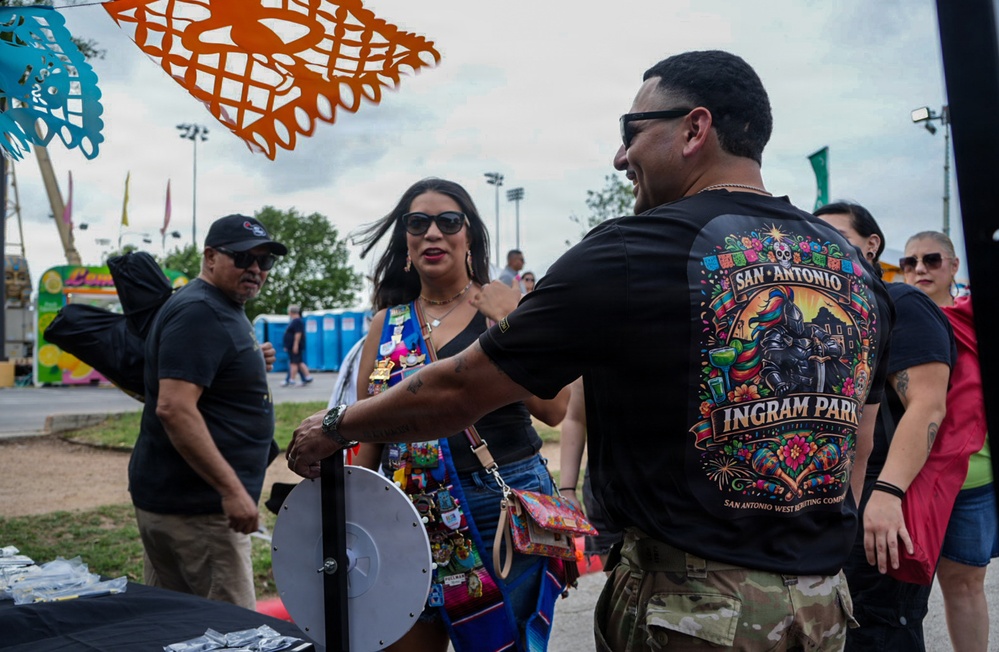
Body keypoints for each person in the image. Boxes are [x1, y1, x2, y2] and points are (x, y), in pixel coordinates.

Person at [289, 50, 894, 650]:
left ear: (694, 128)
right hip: (821, 607)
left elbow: (461, 390)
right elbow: (858, 442)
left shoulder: (631, 251)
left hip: (693, 611)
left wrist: (337, 424)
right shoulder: (848, 263)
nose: (620, 156)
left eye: (631, 132)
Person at [336, 177, 569, 652]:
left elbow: (555, 408)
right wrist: (349, 514)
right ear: (406, 240)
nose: (433, 233)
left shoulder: (497, 308)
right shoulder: (387, 324)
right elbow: (368, 430)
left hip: (497, 508)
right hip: (409, 515)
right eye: (418, 222)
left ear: (470, 238)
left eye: (449, 221)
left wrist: (517, 318)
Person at [814, 204, 955, 651]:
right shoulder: (828, 311)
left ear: (871, 244)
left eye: (835, 233)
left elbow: (928, 405)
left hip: (883, 505)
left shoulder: (899, 301)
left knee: (880, 633)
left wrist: (888, 494)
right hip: (836, 505)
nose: (824, 244)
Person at [129, 214, 286, 610]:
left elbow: (206, 373)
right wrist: (231, 491)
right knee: (230, 634)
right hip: (200, 514)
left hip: (187, 505)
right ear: (211, 256)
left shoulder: (216, 305)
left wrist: (250, 358)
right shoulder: (200, 311)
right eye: (243, 258)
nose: (255, 269)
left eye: (264, 261)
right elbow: (174, 408)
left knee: (177, 626)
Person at [902, 231, 995, 652]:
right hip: (908, 481)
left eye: (932, 259)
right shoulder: (893, 318)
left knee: (965, 585)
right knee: (900, 592)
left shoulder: (975, 318)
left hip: (973, 482)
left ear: (954, 266)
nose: (919, 269)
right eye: (909, 262)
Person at [281, 304, 314, 387]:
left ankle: (291, 380)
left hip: (294, 346)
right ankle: (306, 377)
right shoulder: (295, 321)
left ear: (291, 312)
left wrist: (295, 345)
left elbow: (298, 334)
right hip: (291, 346)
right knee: (298, 362)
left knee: (294, 363)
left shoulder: (297, 321)